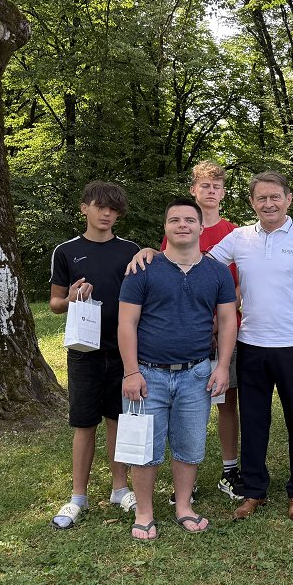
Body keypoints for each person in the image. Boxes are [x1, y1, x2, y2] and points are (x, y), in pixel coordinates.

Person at [208, 171, 293, 521]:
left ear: (288, 199)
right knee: (254, 420)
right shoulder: (239, 238)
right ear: (251, 202)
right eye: (261, 198)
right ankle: (254, 490)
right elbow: (201, 264)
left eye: (275, 196)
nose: (269, 203)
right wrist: (154, 253)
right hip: (252, 344)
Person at [118, 198, 237, 540]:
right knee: (144, 447)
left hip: (197, 373)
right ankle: (144, 512)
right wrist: (131, 372)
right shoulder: (143, 269)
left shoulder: (216, 271)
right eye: (175, 220)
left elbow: (227, 320)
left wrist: (222, 366)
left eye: (189, 220)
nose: (182, 225)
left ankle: (184, 506)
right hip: (147, 374)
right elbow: (127, 323)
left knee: (190, 445)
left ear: (201, 227)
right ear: (165, 228)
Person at [48, 181, 141, 529]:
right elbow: (55, 303)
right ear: (84, 207)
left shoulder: (130, 250)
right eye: (100, 206)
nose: (107, 214)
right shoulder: (66, 251)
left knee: (118, 419)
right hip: (84, 350)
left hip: (123, 350)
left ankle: (120, 489)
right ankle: (78, 497)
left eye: (113, 209)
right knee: (84, 423)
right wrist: (70, 297)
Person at [158, 161, 243, 504]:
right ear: (193, 190)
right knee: (182, 404)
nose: (211, 191)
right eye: (205, 186)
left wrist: (221, 320)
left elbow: (241, 283)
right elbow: (167, 275)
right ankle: (185, 480)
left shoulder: (235, 232)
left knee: (227, 400)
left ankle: (230, 469)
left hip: (226, 328)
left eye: (217, 186)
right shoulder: (179, 227)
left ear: (223, 192)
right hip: (187, 331)